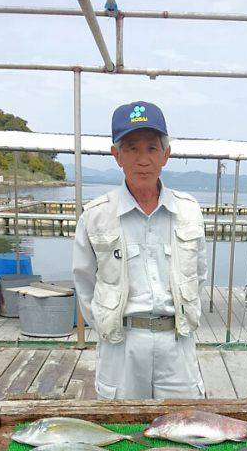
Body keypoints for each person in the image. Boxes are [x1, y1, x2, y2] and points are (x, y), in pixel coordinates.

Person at [73, 101, 207, 400]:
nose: (142, 159)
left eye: (151, 148)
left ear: (166, 154)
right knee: (121, 428)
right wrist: (108, 323)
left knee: (183, 427)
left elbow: (199, 275)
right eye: (132, 148)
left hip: (177, 341)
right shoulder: (95, 216)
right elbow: (84, 284)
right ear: (116, 155)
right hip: (122, 344)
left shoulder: (189, 211)